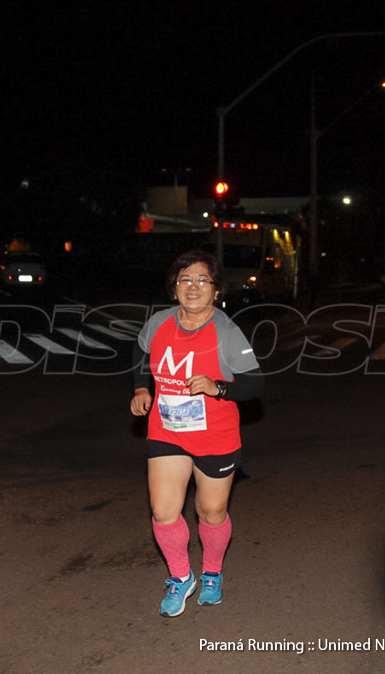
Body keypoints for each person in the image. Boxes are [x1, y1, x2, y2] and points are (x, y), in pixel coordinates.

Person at [131, 250, 265, 617]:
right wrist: (142, 388)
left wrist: (217, 387)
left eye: (202, 280)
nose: (193, 286)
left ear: (216, 290)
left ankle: (212, 572)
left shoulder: (227, 332)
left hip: (215, 435)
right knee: (163, 511)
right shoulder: (158, 322)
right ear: (174, 289)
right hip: (167, 430)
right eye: (184, 280)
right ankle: (180, 576)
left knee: (212, 511)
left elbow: (255, 383)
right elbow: (142, 352)